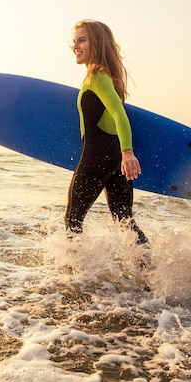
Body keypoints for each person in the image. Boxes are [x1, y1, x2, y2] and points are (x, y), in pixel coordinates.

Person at [64, 19, 148, 245]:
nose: (76, 46)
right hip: (114, 160)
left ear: (97, 43)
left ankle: (76, 277)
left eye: (82, 40)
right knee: (125, 222)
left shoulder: (97, 76)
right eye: (74, 41)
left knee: (73, 222)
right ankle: (152, 273)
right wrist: (123, 154)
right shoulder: (106, 76)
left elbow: (119, 113)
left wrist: (128, 152)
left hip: (96, 158)